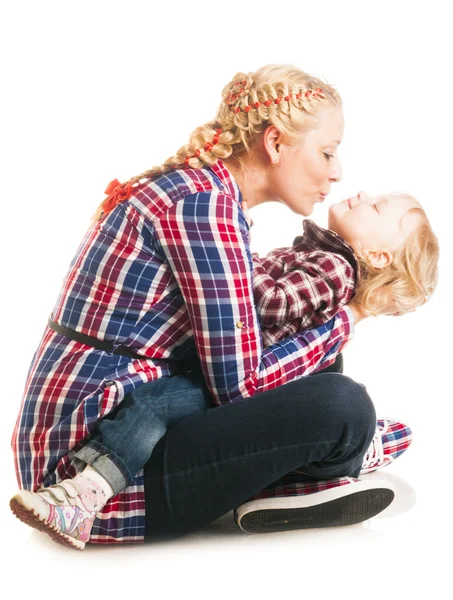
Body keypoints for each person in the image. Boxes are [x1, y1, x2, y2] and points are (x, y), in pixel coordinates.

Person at [9, 64, 437, 551]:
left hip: (110, 425)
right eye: (327, 152)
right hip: (97, 462)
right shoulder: (204, 209)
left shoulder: (205, 194)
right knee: (344, 405)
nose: (338, 172)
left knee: (322, 365)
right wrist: (349, 318)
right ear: (275, 144)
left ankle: (312, 476)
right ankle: (326, 470)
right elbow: (240, 387)